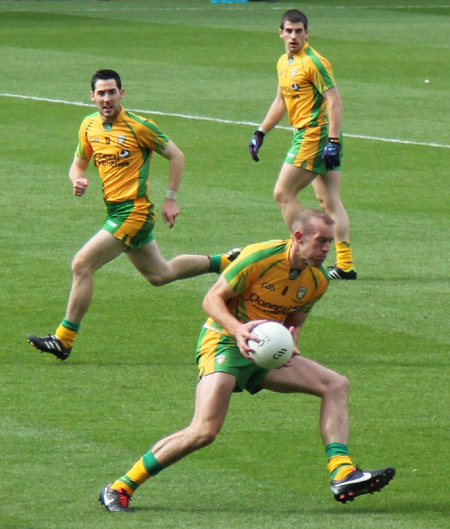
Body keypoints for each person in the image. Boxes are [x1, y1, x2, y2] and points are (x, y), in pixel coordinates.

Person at [98, 209, 394, 513]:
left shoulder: (317, 280)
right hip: (224, 341)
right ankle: (120, 486)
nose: (326, 249)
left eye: (330, 243)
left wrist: (290, 344)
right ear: (298, 237)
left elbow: (295, 320)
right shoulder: (260, 258)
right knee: (203, 431)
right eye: (320, 241)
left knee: (335, 384)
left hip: (265, 352)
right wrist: (238, 329)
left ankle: (342, 472)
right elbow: (212, 299)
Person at [27, 69, 239, 361]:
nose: (106, 98)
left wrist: (170, 199)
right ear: (92, 96)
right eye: (100, 93)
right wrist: (76, 179)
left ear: (122, 94)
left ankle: (64, 340)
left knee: (81, 265)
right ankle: (227, 262)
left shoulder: (139, 126)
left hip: (134, 211)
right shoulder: (88, 126)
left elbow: (176, 155)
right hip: (114, 210)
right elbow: (77, 164)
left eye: (111, 92)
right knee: (159, 274)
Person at [249, 9, 356, 280]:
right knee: (329, 200)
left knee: (282, 193)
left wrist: (331, 140)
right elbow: (281, 101)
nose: (294, 36)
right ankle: (345, 266)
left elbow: (335, 101)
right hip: (311, 134)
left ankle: (304, 257)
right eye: (289, 31)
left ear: (307, 33)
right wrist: (261, 132)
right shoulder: (283, 63)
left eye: (299, 31)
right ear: (281, 33)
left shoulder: (315, 63)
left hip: (316, 135)